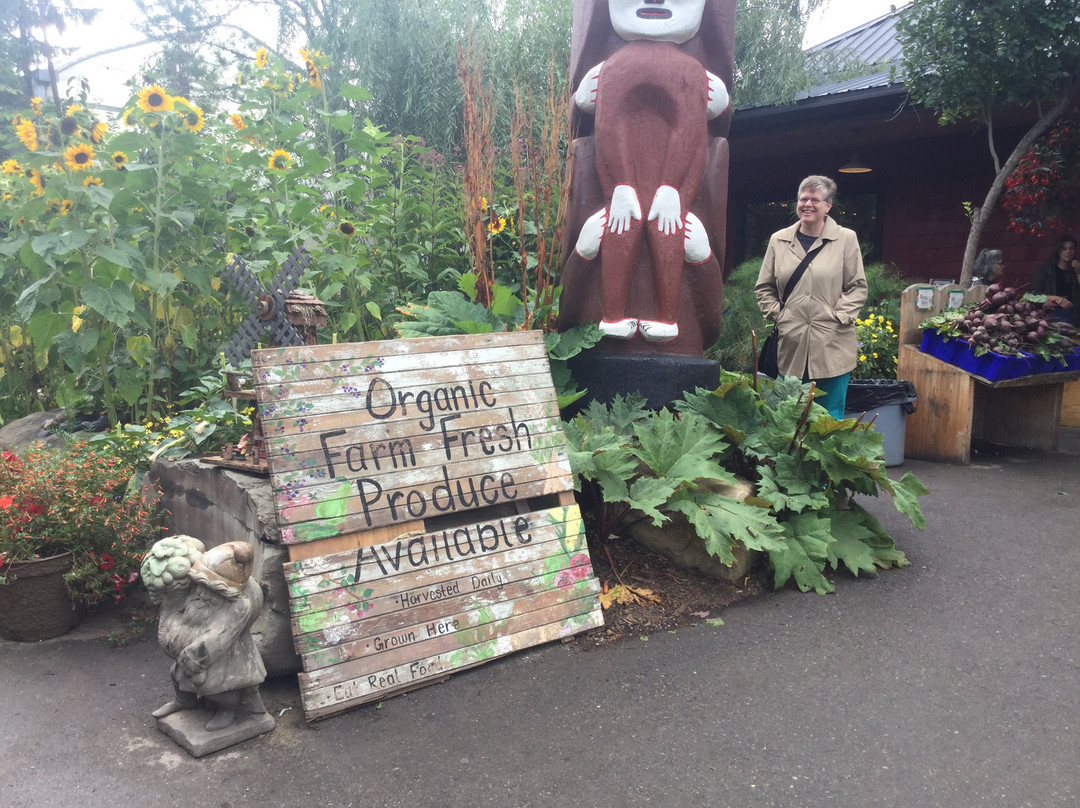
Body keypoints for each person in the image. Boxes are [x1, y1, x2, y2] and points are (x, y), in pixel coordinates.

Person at [754, 175, 868, 419]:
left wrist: (838, 316)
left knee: (830, 414)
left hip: (832, 342)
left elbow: (858, 286)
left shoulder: (846, 239)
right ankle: (795, 458)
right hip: (792, 342)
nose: (807, 204)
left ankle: (824, 458)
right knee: (790, 413)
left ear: (828, 206)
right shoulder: (779, 240)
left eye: (815, 199)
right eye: (803, 198)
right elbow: (764, 287)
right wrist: (780, 315)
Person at [1031, 235, 1080, 325]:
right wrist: (1056, 298)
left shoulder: (1075, 270)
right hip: (1052, 314)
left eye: (1071, 248)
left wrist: (1078, 273)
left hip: (1074, 315)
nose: (1068, 252)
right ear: (1058, 251)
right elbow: (1034, 296)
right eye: (1064, 249)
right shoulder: (1046, 270)